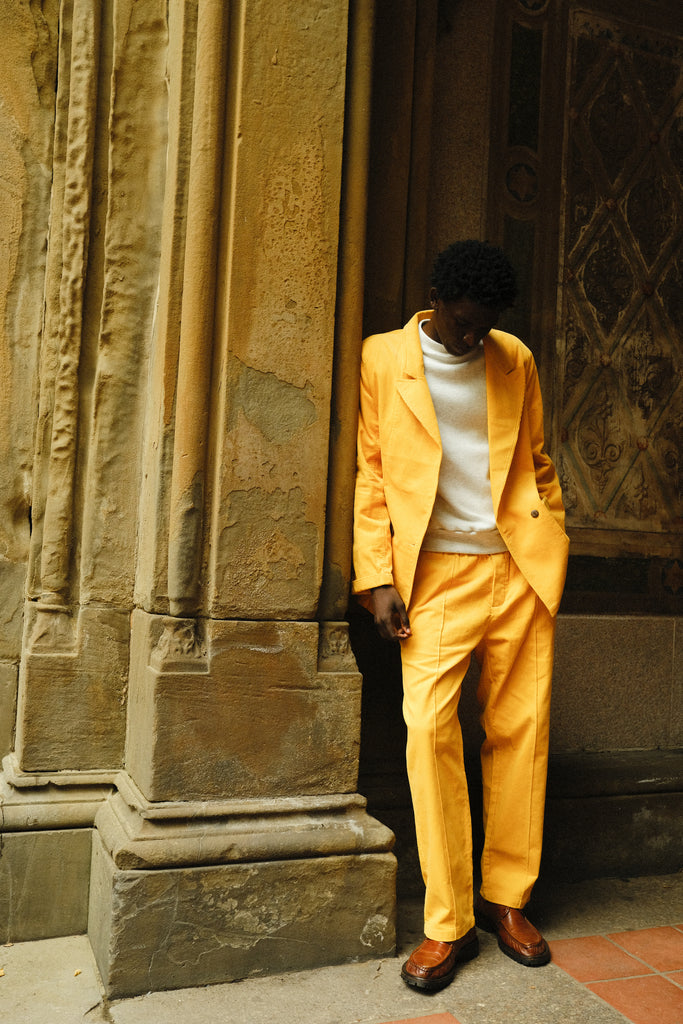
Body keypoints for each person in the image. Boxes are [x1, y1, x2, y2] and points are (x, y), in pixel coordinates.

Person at [352, 239, 569, 992]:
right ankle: (446, 924)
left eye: (487, 326)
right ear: (438, 299)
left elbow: (536, 459)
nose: (477, 339)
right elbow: (372, 473)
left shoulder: (514, 358)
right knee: (428, 732)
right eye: (467, 324)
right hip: (434, 575)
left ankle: (507, 899)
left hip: (518, 568)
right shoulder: (383, 357)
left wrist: (553, 543)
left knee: (520, 734)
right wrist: (377, 578)